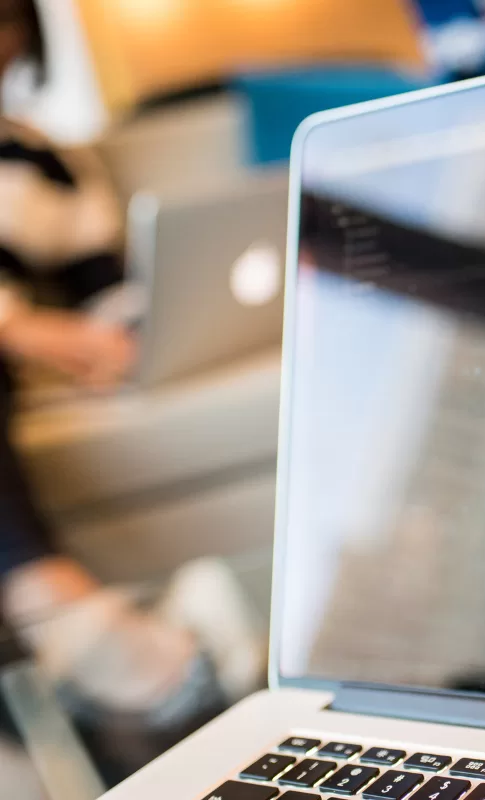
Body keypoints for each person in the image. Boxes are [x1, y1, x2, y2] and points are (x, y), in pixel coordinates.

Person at [0, 0, 219, 731]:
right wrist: (21, 328)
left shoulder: (40, 155)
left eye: (7, 20)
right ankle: (38, 588)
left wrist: (121, 340)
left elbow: (105, 286)